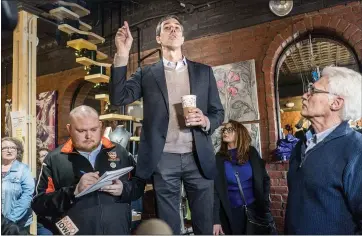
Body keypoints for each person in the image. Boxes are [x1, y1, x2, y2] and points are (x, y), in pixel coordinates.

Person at [109, 15, 224, 234]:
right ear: (158, 38)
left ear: (182, 36)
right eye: (167, 28)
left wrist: (206, 120)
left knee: (204, 225)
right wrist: (122, 54)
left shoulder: (203, 72)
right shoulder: (146, 73)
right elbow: (118, 97)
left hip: (198, 157)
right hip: (163, 159)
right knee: (169, 227)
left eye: (177, 27)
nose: (173, 30)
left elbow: (218, 112)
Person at [32, 105, 145, 235]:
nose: (88, 135)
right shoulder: (54, 159)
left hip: (118, 231)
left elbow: (138, 185)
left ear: (101, 126)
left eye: (94, 129)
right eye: (81, 131)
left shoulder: (120, 152)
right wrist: (74, 191)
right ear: (69, 129)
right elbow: (39, 204)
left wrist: (123, 189)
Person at [285, 66, 362, 234]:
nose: (305, 95)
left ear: (336, 103)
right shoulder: (300, 145)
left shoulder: (357, 151)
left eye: (313, 91)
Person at [213, 121, 273, 235]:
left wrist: (265, 205)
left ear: (239, 133)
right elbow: (215, 191)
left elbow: (265, 179)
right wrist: (216, 220)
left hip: (256, 209)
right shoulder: (219, 158)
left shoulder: (251, 152)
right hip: (232, 213)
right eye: (224, 130)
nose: (225, 132)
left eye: (230, 129)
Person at [1, 137, 34, 234]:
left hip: (17, 224)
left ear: (17, 151)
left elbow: (27, 195)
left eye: (13, 148)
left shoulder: (23, 170)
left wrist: (10, 220)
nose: (9, 150)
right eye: (5, 148)